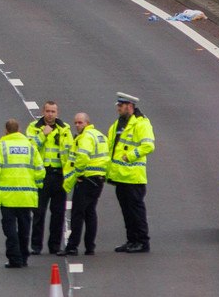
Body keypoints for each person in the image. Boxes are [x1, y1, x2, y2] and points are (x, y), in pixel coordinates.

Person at [0, 120, 42, 267]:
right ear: (19, 130)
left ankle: (14, 258)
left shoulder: (2, 146)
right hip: (26, 195)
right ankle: (24, 256)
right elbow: (39, 169)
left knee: (10, 228)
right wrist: (37, 185)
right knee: (25, 227)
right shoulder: (30, 146)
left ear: (6, 130)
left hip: (7, 195)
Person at [108, 93, 156, 253]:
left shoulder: (141, 124)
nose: (118, 109)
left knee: (136, 212)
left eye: (120, 106)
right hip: (120, 177)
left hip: (134, 177)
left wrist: (130, 156)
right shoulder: (118, 124)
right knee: (127, 212)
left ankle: (142, 241)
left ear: (129, 106)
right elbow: (111, 147)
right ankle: (131, 240)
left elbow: (148, 146)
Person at [25, 102, 73, 255]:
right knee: (38, 212)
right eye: (48, 111)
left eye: (53, 111)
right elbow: (30, 148)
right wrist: (42, 135)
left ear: (57, 113)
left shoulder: (64, 128)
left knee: (58, 213)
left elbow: (70, 150)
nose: (50, 114)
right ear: (43, 112)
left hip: (59, 174)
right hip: (42, 174)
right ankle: (36, 246)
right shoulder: (34, 127)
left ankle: (54, 246)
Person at [63, 112, 109, 254]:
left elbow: (82, 156)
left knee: (77, 213)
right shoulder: (100, 135)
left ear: (87, 123)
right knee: (90, 213)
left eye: (80, 123)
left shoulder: (86, 137)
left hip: (87, 179)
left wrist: (79, 173)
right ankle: (90, 247)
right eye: (75, 123)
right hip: (98, 179)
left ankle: (72, 247)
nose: (77, 125)